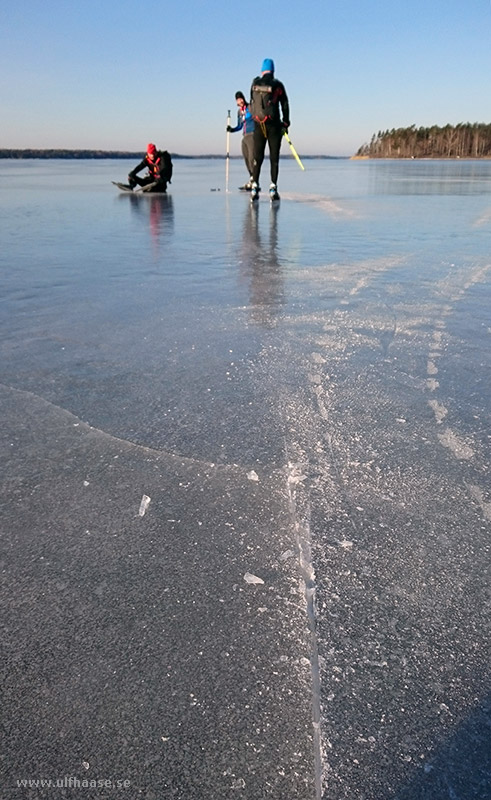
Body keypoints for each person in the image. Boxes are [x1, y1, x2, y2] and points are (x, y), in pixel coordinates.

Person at [249, 59, 290, 202]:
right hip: (273, 125)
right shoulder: (278, 85)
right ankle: (273, 187)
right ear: (273, 71)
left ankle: (254, 186)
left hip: (258, 124)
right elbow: (285, 103)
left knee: (257, 157)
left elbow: (252, 103)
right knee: (274, 157)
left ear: (262, 70)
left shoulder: (254, 84)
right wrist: (285, 123)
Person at [227, 91, 256, 190]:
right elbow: (240, 125)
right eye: (238, 99)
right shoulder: (239, 112)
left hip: (252, 134)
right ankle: (251, 177)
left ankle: (255, 180)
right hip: (244, 136)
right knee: (246, 157)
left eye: (241, 99)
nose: (240, 101)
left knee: (252, 157)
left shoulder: (250, 108)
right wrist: (232, 129)